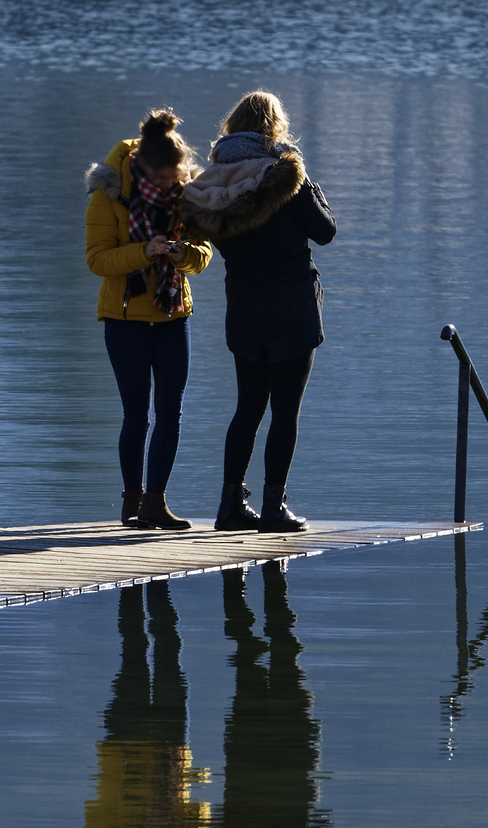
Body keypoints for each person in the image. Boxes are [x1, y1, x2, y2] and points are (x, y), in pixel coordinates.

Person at [178, 91, 335, 533]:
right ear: (273, 127)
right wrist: (313, 190)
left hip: (244, 310)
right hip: (291, 308)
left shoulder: (212, 184)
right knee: (286, 411)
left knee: (248, 407)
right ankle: (272, 508)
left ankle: (229, 506)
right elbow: (325, 231)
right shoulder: (285, 174)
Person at [85, 109, 212, 530]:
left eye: (174, 178)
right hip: (125, 320)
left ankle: (157, 503)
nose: (169, 185)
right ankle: (132, 502)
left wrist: (183, 255)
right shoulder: (109, 191)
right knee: (136, 414)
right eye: (162, 179)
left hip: (174, 314)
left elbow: (204, 253)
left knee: (170, 411)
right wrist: (146, 251)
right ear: (143, 168)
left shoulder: (186, 190)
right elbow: (97, 259)